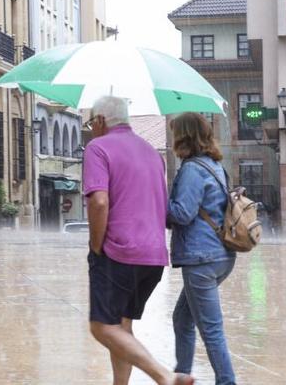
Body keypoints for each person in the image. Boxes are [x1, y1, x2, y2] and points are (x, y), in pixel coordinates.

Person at [82, 96, 192, 385]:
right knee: (122, 327)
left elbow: (99, 202)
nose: (92, 128)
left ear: (101, 120)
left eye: (91, 121)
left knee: (101, 328)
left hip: (118, 252)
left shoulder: (98, 147)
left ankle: (164, 376)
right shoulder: (151, 152)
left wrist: (96, 245)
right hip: (153, 257)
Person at [167, 112, 237, 385]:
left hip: (201, 258)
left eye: (176, 133)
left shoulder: (192, 168)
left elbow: (182, 214)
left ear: (184, 136)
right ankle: (182, 374)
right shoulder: (214, 165)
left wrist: (156, 204)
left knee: (211, 329)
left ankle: (226, 381)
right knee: (182, 318)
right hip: (221, 255)